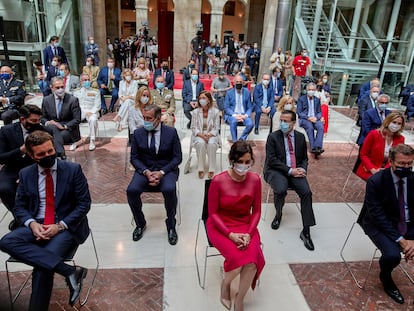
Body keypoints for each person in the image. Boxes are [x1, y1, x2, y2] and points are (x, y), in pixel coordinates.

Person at [0, 130, 91, 310]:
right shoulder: (26, 174)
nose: (48, 155)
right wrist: (32, 224)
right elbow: (19, 207)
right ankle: (69, 271)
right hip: (37, 222)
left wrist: (59, 226)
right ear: (32, 156)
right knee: (6, 241)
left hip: (65, 225)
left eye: (50, 151)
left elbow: (84, 204)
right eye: (41, 154)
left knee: (43, 269)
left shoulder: (72, 170)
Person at [207, 141, 265, 311]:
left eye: (248, 162)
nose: (244, 166)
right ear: (232, 160)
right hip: (221, 226)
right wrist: (230, 234)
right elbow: (213, 214)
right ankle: (225, 284)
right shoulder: (218, 181)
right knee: (239, 260)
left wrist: (249, 233)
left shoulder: (255, 180)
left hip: (246, 225)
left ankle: (240, 298)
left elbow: (256, 212)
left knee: (252, 262)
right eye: (241, 162)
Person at [357, 144, 414, 305]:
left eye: (410, 164)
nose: (407, 167)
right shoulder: (376, 181)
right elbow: (377, 215)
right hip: (379, 224)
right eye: (402, 164)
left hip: (407, 223)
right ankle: (386, 277)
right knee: (392, 255)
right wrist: (401, 240)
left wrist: (412, 238)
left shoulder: (412, 179)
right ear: (391, 161)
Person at [126, 104, 182, 245]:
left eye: (149, 118)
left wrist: (162, 172)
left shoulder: (171, 133)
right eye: (144, 117)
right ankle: (140, 223)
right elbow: (134, 158)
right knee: (131, 191)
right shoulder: (138, 133)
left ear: (158, 118)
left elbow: (177, 157)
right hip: (145, 170)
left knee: (169, 189)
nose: (146, 121)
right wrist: (146, 172)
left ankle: (171, 225)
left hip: (165, 169)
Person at [264, 110, 316, 250]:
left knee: (306, 192)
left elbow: (304, 158)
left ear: (293, 123)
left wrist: (303, 169)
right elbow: (272, 160)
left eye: (286, 121)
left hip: (296, 170)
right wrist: (289, 170)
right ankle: (278, 214)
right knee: (280, 189)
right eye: (281, 120)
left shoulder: (300, 137)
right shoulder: (273, 137)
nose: (282, 123)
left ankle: (306, 231)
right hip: (277, 170)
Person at [0, 105, 46, 230]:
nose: (37, 124)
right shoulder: (6, 131)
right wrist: (21, 150)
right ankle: (21, 218)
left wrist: (28, 175)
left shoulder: (43, 131)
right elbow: (1, 157)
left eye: (38, 120)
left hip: (35, 167)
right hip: (13, 167)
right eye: (33, 121)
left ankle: (32, 216)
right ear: (22, 119)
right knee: (3, 188)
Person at [356, 112, 405, 181]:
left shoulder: (401, 139)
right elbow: (363, 154)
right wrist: (372, 169)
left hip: (387, 172)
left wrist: (384, 170)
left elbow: (396, 158)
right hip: (369, 170)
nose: (396, 125)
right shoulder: (374, 134)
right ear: (388, 122)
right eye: (394, 122)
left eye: (399, 124)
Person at [41, 76, 81, 158]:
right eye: (57, 87)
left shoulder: (73, 100)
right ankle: (60, 153)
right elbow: (42, 117)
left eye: (62, 87)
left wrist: (63, 126)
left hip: (67, 129)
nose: (60, 89)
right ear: (51, 88)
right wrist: (49, 123)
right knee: (51, 130)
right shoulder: (46, 100)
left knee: (53, 138)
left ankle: (58, 154)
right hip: (51, 127)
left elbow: (77, 119)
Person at [191, 91, 221, 179]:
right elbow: (193, 127)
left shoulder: (215, 111)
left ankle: (211, 169)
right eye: (200, 98)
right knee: (201, 143)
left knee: (211, 144)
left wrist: (209, 135)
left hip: (211, 134)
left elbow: (217, 128)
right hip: (199, 134)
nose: (201, 100)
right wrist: (202, 135)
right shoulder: (195, 112)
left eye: (204, 98)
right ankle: (201, 169)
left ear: (209, 100)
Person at [73, 74, 101, 151]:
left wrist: (91, 112)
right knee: (73, 120)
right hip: (81, 111)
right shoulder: (76, 92)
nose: (87, 81)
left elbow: (97, 105)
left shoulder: (95, 91)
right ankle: (75, 141)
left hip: (92, 111)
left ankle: (92, 140)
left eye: (88, 80)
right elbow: (75, 104)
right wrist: (83, 112)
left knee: (93, 120)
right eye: (85, 80)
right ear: (81, 81)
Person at [224, 74, 253, 142]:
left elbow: (249, 107)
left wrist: (245, 115)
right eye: (237, 82)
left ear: (243, 83)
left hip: (243, 115)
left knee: (250, 124)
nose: (239, 83)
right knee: (233, 121)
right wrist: (235, 115)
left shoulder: (247, 92)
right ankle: (235, 141)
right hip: (233, 115)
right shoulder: (229, 93)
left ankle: (242, 139)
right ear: (234, 83)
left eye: (240, 82)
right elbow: (226, 107)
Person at [296, 82, 324, 154]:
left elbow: (319, 112)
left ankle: (318, 147)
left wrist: (316, 118)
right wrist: (308, 118)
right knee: (310, 127)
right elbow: (299, 112)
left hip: (314, 118)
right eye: (309, 89)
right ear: (306, 89)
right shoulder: (301, 99)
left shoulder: (317, 100)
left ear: (315, 90)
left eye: (313, 89)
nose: (311, 91)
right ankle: (313, 147)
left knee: (320, 127)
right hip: (305, 119)